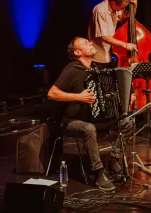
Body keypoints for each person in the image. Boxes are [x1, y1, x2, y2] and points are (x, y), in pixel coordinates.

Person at [47, 37, 133, 191]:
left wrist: (123, 99)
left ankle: (114, 159)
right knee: (89, 129)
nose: (91, 43)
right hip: (69, 121)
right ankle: (99, 173)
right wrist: (78, 97)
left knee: (128, 122)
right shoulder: (71, 69)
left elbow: (104, 93)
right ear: (77, 52)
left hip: (94, 118)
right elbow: (52, 93)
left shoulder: (95, 68)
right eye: (86, 43)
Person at [88, 0, 138, 68]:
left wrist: (134, 6)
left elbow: (126, 19)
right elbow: (104, 37)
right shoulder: (100, 11)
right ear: (113, 3)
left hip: (109, 54)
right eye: (121, 8)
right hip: (98, 56)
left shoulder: (116, 7)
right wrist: (125, 45)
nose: (121, 10)